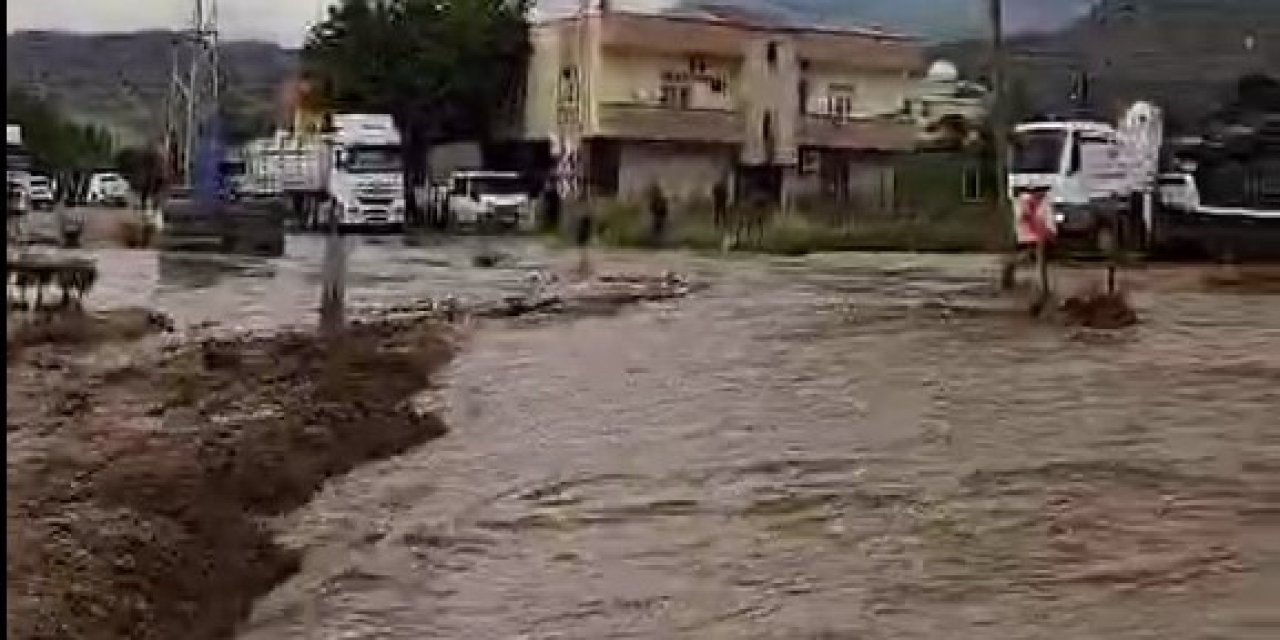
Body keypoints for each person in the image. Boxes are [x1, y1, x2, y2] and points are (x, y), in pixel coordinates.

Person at [647, 182, 669, 247]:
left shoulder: (661, 199)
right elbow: (651, 207)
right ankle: (656, 243)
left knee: (659, 230)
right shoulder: (656, 199)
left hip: (660, 217)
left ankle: (658, 243)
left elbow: (665, 209)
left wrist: (663, 215)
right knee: (656, 230)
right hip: (657, 217)